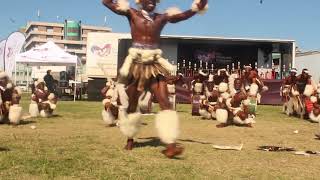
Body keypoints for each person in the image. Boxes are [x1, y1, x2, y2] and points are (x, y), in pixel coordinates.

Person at [102, 0, 208, 158]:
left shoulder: (161, 18)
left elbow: (181, 16)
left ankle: (171, 145)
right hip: (136, 66)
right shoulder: (131, 13)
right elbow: (108, 3)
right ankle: (130, 138)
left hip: (154, 67)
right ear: (140, 2)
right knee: (131, 105)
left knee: (165, 103)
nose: (151, 1)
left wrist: (196, 8)